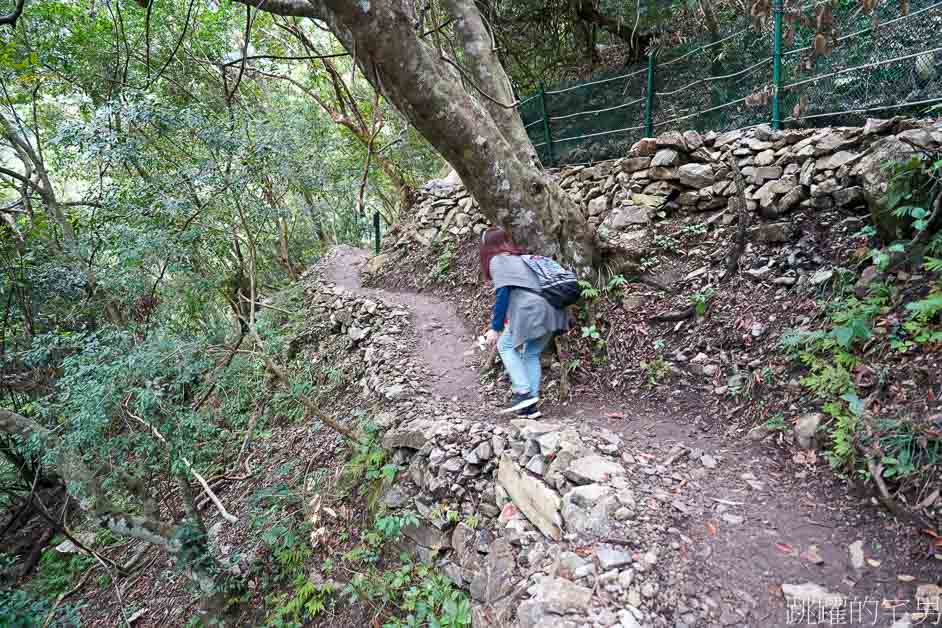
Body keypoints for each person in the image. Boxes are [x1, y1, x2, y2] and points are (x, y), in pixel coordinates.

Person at [480, 227, 570, 418]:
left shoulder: (498, 261)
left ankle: (523, 392)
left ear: (488, 246)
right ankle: (530, 407)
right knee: (531, 353)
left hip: (532, 311)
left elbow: (503, 295)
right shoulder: (522, 259)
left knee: (504, 346)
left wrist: (495, 329)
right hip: (554, 310)